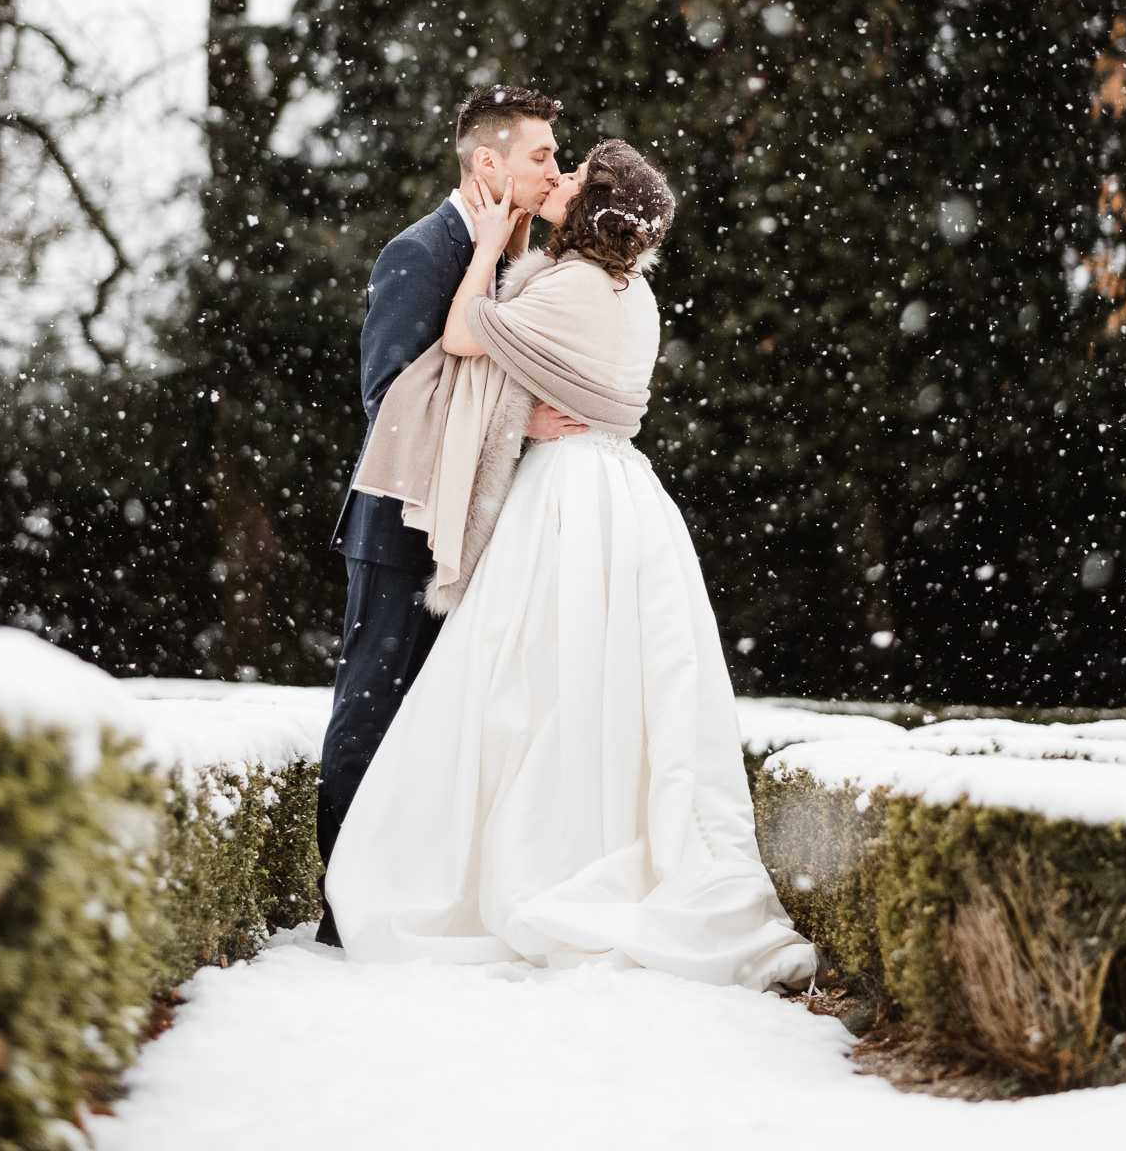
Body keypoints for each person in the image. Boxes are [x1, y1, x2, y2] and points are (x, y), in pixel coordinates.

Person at [324, 140, 817, 989]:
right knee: (596, 685)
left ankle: (529, 861)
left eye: (577, 175)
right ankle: (585, 839)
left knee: (528, 683)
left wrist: (484, 251)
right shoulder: (628, 288)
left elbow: (461, 333)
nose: (560, 179)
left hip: (567, 497)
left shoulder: (575, 286)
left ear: (596, 209)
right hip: (618, 490)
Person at [315, 85, 587, 948]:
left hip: (479, 533)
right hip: (401, 532)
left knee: (447, 725)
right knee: (372, 711)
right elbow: (387, 397)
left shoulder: (511, 256)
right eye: (541, 154)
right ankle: (342, 914)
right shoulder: (418, 253)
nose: (555, 166)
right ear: (488, 163)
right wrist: (519, 419)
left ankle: (410, 899)